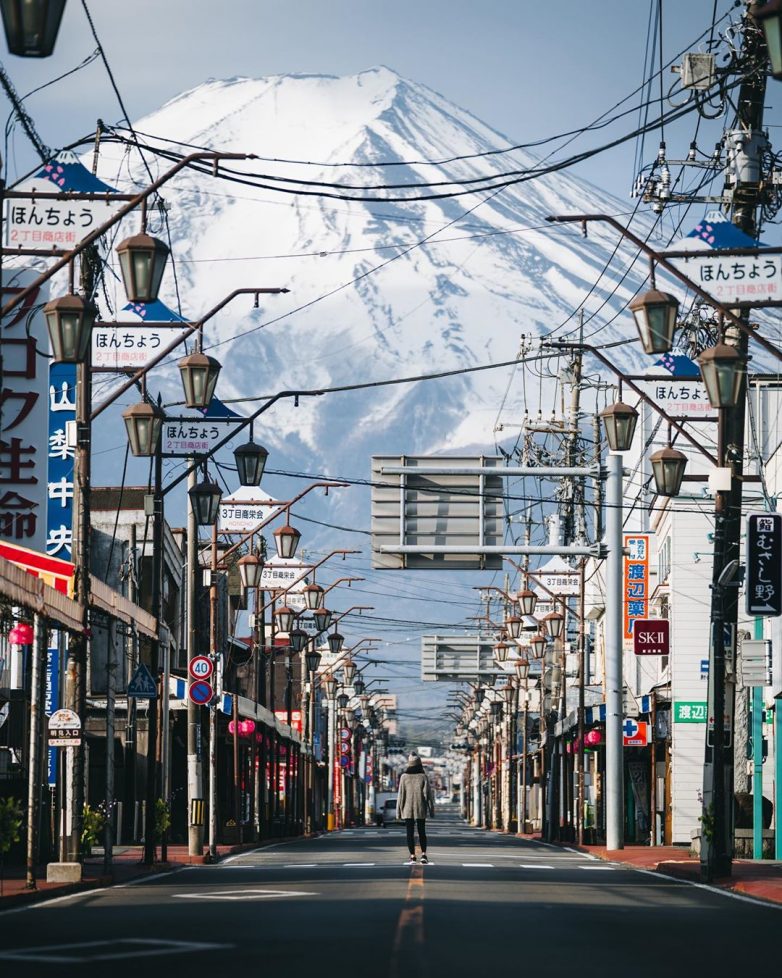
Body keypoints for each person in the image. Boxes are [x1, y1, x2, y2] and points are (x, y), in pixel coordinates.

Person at [396, 751, 435, 864]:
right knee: (422, 832)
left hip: (407, 809)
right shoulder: (423, 777)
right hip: (420, 808)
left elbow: (401, 795)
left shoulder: (404, 777)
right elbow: (428, 795)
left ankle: (412, 856)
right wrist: (431, 810)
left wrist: (398, 812)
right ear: (419, 764)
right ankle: (423, 855)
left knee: (409, 833)